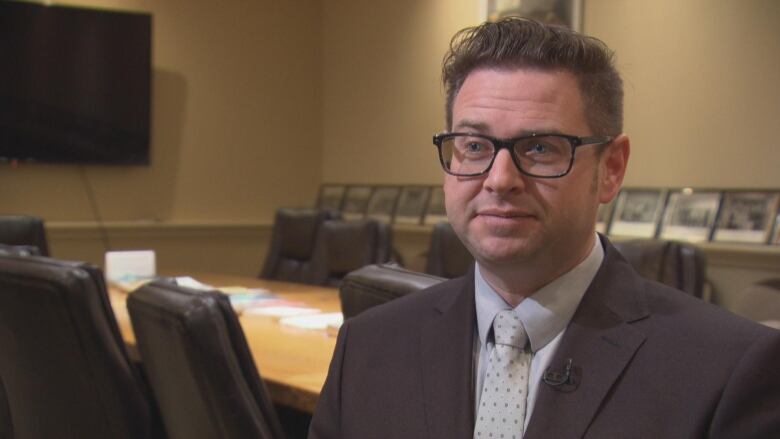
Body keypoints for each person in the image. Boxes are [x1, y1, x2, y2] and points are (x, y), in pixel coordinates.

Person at [308, 18, 780, 439]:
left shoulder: (730, 370)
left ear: (611, 169)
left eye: (539, 149)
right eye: (474, 146)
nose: (499, 180)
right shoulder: (367, 347)